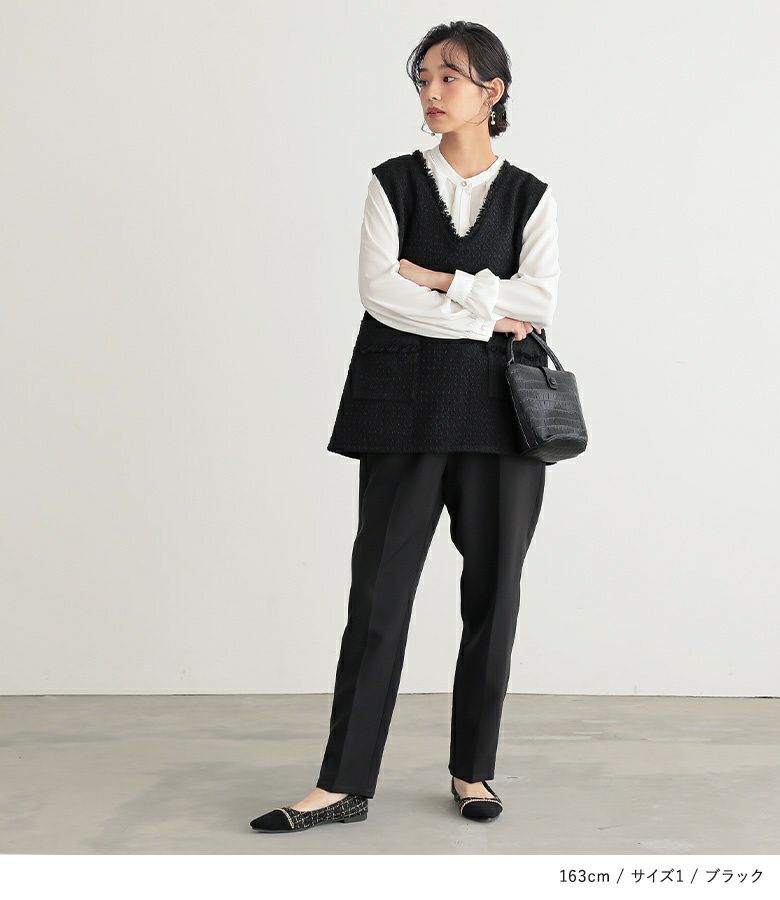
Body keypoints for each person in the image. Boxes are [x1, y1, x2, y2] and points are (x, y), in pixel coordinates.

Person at [250, 19, 559, 834]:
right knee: (378, 598)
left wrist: (441, 279)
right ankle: (343, 783)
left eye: (449, 78)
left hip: (503, 422)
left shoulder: (532, 195)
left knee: (494, 597)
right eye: (423, 78)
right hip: (401, 412)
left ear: (492, 92)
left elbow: (540, 302)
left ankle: (472, 771)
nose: (430, 92)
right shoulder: (390, 181)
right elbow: (380, 294)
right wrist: (485, 311)